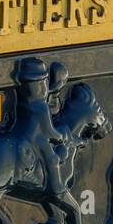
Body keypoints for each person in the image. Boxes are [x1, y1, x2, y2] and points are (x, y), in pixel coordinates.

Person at [12, 58, 68, 195]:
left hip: (19, 134)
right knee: (52, 158)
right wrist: (60, 137)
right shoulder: (41, 107)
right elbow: (49, 132)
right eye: (42, 83)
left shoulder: (22, 102)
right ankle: (56, 186)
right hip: (35, 139)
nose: (44, 87)